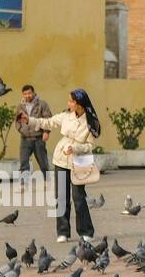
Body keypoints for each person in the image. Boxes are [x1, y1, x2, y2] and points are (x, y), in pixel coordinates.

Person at [17, 89, 100, 242]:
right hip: (61, 159)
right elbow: (47, 122)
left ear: (79, 104)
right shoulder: (65, 116)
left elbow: (90, 146)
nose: (68, 103)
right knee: (61, 197)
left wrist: (75, 148)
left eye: (71, 101)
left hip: (80, 161)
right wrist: (29, 120)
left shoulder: (91, 121)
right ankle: (63, 232)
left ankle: (86, 231)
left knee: (78, 197)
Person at [15, 84, 52, 177]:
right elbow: (17, 121)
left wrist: (46, 132)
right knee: (23, 162)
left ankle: (46, 180)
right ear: (23, 94)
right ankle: (23, 184)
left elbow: (48, 118)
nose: (28, 96)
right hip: (25, 139)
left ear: (33, 92)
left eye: (29, 93)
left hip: (38, 138)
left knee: (43, 162)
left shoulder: (42, 104)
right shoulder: (20, 106)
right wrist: (21, 130)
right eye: (25, 94)